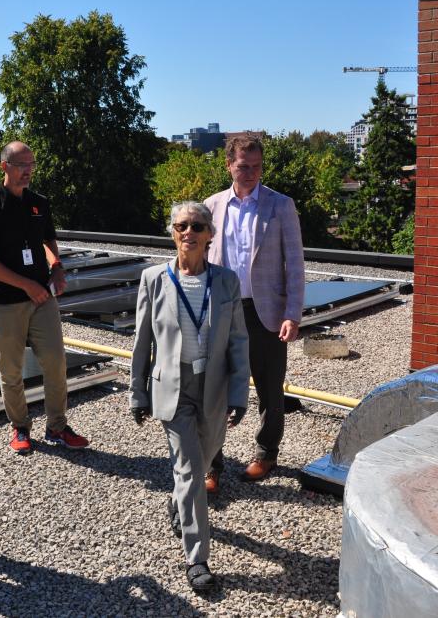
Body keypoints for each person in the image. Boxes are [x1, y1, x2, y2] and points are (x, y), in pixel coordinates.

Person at [130, 201, 250, 592]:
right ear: (172, 232)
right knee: (192, 469)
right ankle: (197, 558)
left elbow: (238, 341)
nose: (189, 232)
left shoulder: (227, 282)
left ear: (210, 234)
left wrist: (238, 393)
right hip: (172, 387)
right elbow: (142, 342)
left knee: (204, 457)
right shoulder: (153, 279)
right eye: (181, 225)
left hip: (213, 388)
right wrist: (137, 393)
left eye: (198, 225)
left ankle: (179, 502)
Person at [0, 141, 89, 455]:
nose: (28, 171)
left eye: (31, 164)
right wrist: (25, 285)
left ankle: (57, 427)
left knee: (55, 361)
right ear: (4, 166)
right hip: (6, 302)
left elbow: (48, 238)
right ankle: (20, 427)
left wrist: (57, 266)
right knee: (11, 370)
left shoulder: (39, 203)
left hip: (42, 298)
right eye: (21, 164)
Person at [204, 135, 304, 493]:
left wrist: (292, 313)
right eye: (243, 166)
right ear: (229, 164)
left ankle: (266, 452)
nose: (250, 173)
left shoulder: (280, 206)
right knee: (213, 390)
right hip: (223, 311)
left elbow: (295, 264)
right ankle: (211, 465)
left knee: (269, 389)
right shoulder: (211, 206)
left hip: (267, 312)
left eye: (256, 166)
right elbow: (199, 263)